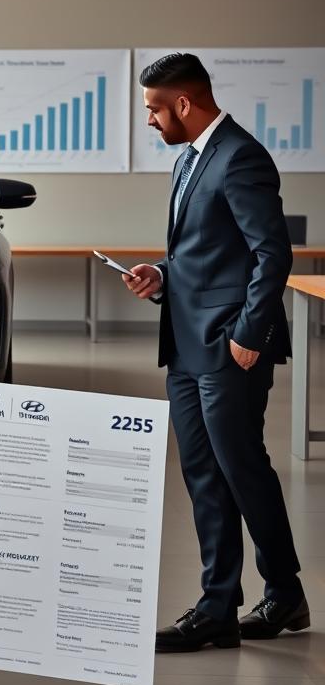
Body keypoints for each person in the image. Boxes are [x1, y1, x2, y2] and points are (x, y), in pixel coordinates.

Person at [122, 52, 308, 653]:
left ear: (183, 103)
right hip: (185, 344)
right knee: (203, 474)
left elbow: (270, 254)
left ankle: (284, 592)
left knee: (241, 469)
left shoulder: (241, 157)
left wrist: (250, 335)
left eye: (154, 108)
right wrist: (162, 273)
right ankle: (217, 606)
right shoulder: (189, 160)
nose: (149, 119)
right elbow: (204, 255)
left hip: (231, 347)